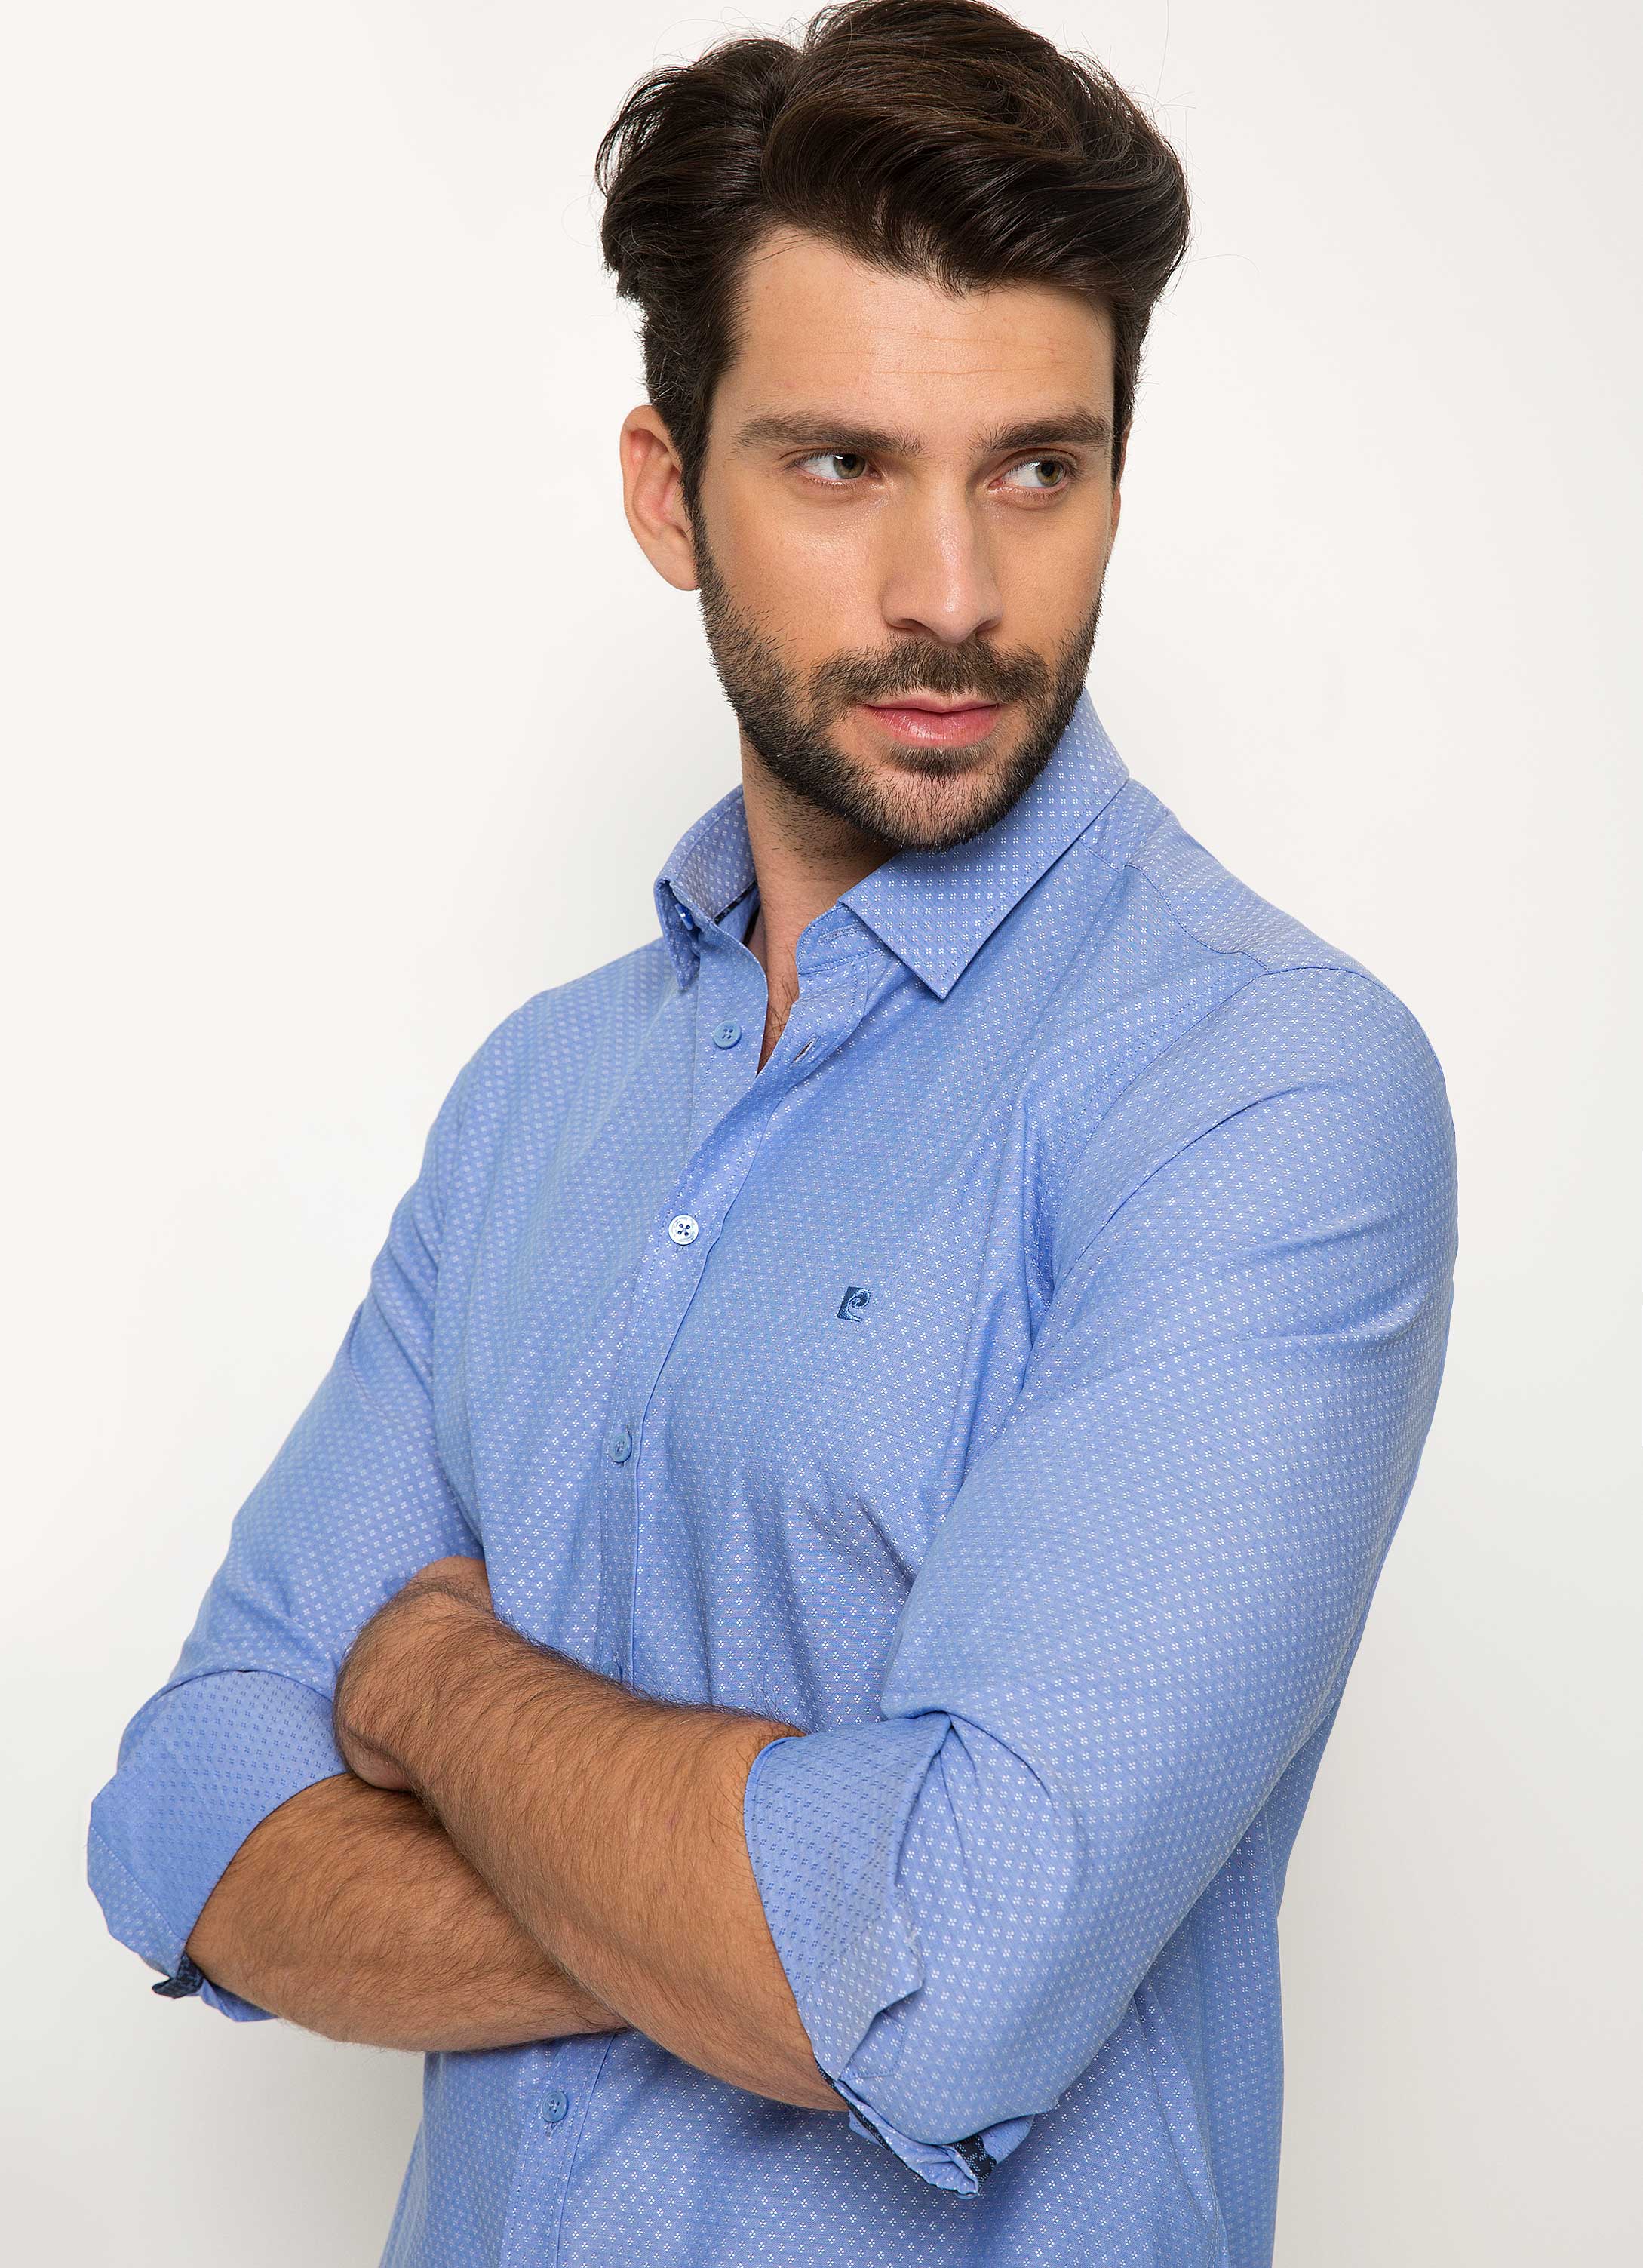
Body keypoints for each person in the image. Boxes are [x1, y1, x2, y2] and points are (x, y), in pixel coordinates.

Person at [87, 3, 1458, 2263]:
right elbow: (192, 1814)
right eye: (839, 466)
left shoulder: (1266, 1091)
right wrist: (776, 1925)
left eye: (1038, 469)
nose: (952, 593)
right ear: (669, 493)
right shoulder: (541, 1101)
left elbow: (954, 1969)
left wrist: (435, 1690)